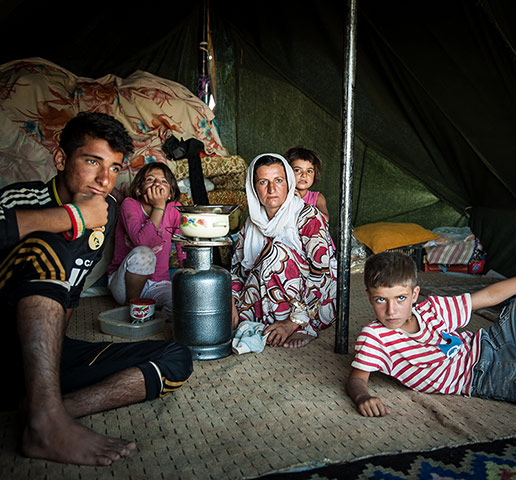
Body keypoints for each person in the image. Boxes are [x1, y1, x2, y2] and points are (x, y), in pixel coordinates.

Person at [0, 112, 193, 466]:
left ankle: (52, 408)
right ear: (61, 159)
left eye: (115, 167)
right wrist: (73, 218)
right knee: (48, 246)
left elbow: (69, 297)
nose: (104, 180)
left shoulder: (102, 221)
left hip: (38, 361)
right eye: (92, 161)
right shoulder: (20, 199)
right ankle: (45, 426)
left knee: (177, 357)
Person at [346, 252, 516, 417]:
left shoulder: (431, 309)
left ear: (414, 294)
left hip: (491, 341)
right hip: (482, 375)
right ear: (368, 296)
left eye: (400, 298)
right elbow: (357, 379)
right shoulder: (375, 337)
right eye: (381, 300)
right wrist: (363, 397)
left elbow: (487, 296)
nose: (391, 310)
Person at [230, 153, 336, 348]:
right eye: (263, 182)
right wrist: (231, 301)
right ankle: (266, 321)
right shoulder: (251, 223)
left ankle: (298, 326)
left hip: (311, 298)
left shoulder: (307, 216)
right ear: (254, 187)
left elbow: (322, 274)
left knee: (276, 253)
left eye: (278, 180)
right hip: (262, 289)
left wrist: (293, 321)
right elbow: (237, 269)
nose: (272, 189)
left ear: (289, 183)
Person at [108, 162, 185, 318]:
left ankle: (152, 316)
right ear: (138, 190)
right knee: (144, 254)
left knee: (183, 302)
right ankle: (131, 305)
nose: (157, 183)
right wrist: (158, 207)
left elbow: (182, 246)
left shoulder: (175, 209)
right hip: (124, 282)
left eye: (164, 181)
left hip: (158, 284)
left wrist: (189, 281)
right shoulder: (130, 205)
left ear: (169, 193)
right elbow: (143, 243)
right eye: (150, 179)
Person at [283, 146, 329, 220]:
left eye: (309, 171)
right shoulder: (282, 196)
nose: (304, 175)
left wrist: (301, 204)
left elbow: (325, 219)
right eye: (297, 170)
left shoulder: (317, 198)